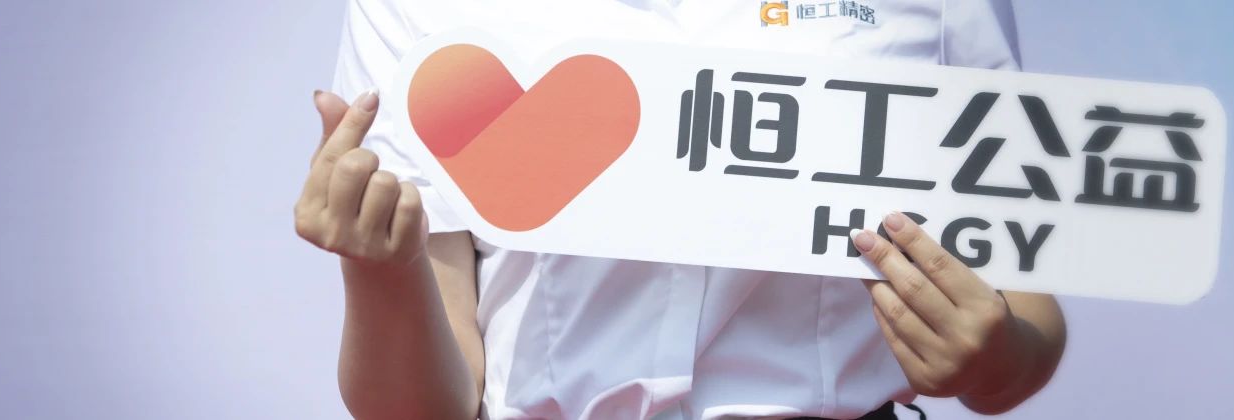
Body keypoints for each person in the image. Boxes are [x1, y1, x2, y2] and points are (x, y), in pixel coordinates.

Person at [293, 1, 1067, 419]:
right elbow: (422, 409)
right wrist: (380, 272)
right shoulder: (419, 10)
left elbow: (1027, 308)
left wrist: (999, 360)